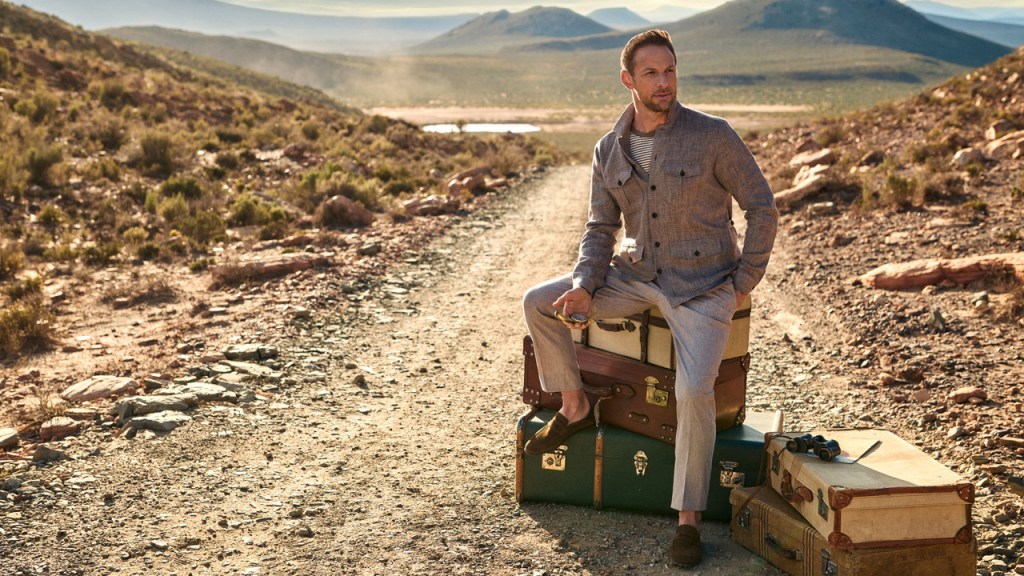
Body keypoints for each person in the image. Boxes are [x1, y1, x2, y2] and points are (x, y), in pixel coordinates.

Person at [521, 29, 778, 568]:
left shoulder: (712, 136)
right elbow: (599, 227)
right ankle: (573, 403)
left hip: (705, 287)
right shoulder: (607, 148)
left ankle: (687, 522)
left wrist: (743, 282)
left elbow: (762, 206)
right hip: (636, 276)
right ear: (627, 80)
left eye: (670, 71)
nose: (664, 83)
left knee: (692, 392)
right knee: (537, 302)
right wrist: (585, 284)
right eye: (652, 74)